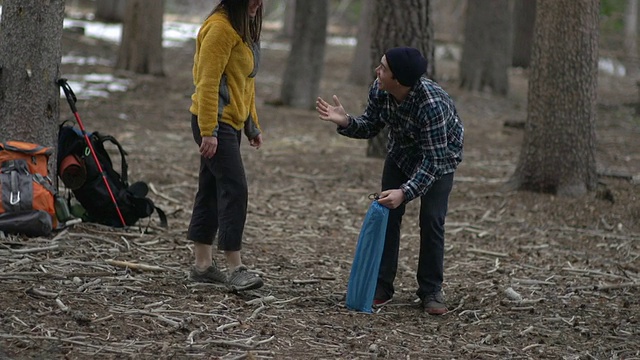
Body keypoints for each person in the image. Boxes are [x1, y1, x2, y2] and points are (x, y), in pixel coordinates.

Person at [315, 47, 464, 315]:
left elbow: (433, 161)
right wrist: (346, 122)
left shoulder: (432, 105)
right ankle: (382, 286)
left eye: (383, 68)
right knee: (388, 216)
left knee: (431, 219)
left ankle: (430, 290)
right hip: (400, 155)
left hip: (440, 159)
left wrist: (405, 192)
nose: (377, 71)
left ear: (399, 80)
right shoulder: (380, 89)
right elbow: (371, 125)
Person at [187, 0, 265, 291]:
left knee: (210, 189)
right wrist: (209, 131)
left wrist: (251, 125)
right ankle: (236, 267)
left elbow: (245, 83)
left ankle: (203, 266)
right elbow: (207, 83)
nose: (257, 3)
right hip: (214, 123)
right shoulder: (220, 28)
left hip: (229, 123)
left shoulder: (242, 28)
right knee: (235, 188)